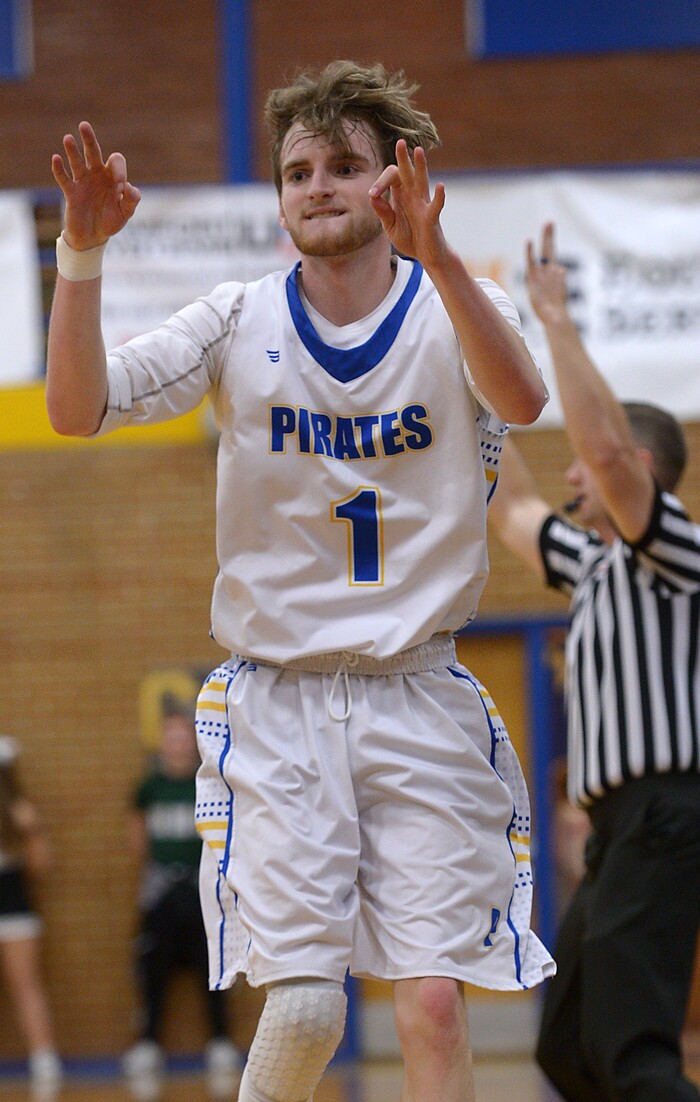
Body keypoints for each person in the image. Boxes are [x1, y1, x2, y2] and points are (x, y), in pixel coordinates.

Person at [46, 60, 554, 1102]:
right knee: (312, 1007)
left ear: (392, 180)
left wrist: (441, 257)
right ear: (279, 197)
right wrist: (81, 258)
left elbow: (525, 396)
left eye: (344, 165)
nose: (317, 185)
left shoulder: (458, 304)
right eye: (297, 171)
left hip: (416, 686)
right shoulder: (237, 318)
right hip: (278, 699)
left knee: (433, 1002)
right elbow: (73, 408)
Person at [488, 222, 700, 1101]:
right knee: (566, 1048)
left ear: (637, 469)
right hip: (620, 832)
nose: (574, 473)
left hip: (664, 816)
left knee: (634, 1057)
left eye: (588, 461)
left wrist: (555, 321)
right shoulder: (593, 562)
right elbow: (512, 508)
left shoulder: (674, 549)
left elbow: (606, 451)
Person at [123, 707, 241, 1095]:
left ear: (192, 741)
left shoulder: (207, 782)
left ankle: (221, 1040)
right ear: (161, 742)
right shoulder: (149, 787)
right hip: (160, 888)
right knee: (154, 966)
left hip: (201, 887)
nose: (176, 742)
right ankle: (148, 1043)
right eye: (169, 735)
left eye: (182, 735)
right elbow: (136, 835)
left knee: (212, 962)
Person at [0, 735, 62, 1096]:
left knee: (26, 985)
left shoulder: (20, 812)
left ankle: (44, 1057)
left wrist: (33, 831)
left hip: (14, 907)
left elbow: (40, 868)